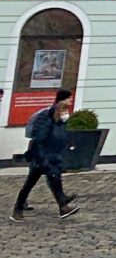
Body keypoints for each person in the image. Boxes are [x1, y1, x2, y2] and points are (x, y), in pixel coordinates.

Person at [12, 89, 80, 222]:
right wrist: (37, 155)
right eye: (69, 99)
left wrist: (66, 144)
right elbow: (40, 137)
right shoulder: (48, 115)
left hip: (53, 156)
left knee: (55, 179)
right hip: (42, 156)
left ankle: (63, 206)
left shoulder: (60, 116)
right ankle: (18, 209)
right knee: (30, 183)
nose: (70, 101)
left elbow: (60, 134)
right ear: (63, 99)